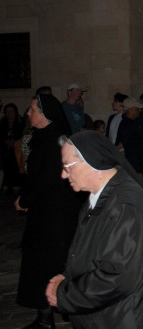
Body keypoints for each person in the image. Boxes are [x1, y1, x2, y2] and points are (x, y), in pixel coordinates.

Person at [46, 131, 143, 328]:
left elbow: (118, 277)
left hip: (128, 317)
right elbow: (88, 250)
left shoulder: (125, 207)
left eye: (67, 166)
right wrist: (69, 276)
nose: (63, 174)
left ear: (91, 162)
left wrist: (65, 294)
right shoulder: (99, 195)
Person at [14, 94, 82, 329]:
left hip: (56, 216)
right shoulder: (42, 137)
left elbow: (47, 177)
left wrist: (26, 199)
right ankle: (44, 317)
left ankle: (59, 316)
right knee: (41, 266)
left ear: (45, 115)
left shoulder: (56, 139)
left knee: (53, 264)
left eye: (32, 109)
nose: (28, 113)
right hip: (44, 214)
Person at [116, 97, 143, 181]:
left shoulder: (137, 121)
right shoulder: (127, 126)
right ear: (132, 109)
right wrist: (137, 170)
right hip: (137, 165)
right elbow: (130, 150)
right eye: (138, 108)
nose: (140, 110)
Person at [1, 103, 25, 195]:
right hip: (6, 150)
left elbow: (24, 134)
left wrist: (16, 142)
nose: (9, 113)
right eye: (7, 112)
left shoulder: (21, 121)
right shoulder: (2, 123)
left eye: (11, 111)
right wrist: (5, 141)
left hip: (18, 149)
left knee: (19, 167)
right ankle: (9, 187)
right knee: (7, 168)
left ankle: (21, 188)